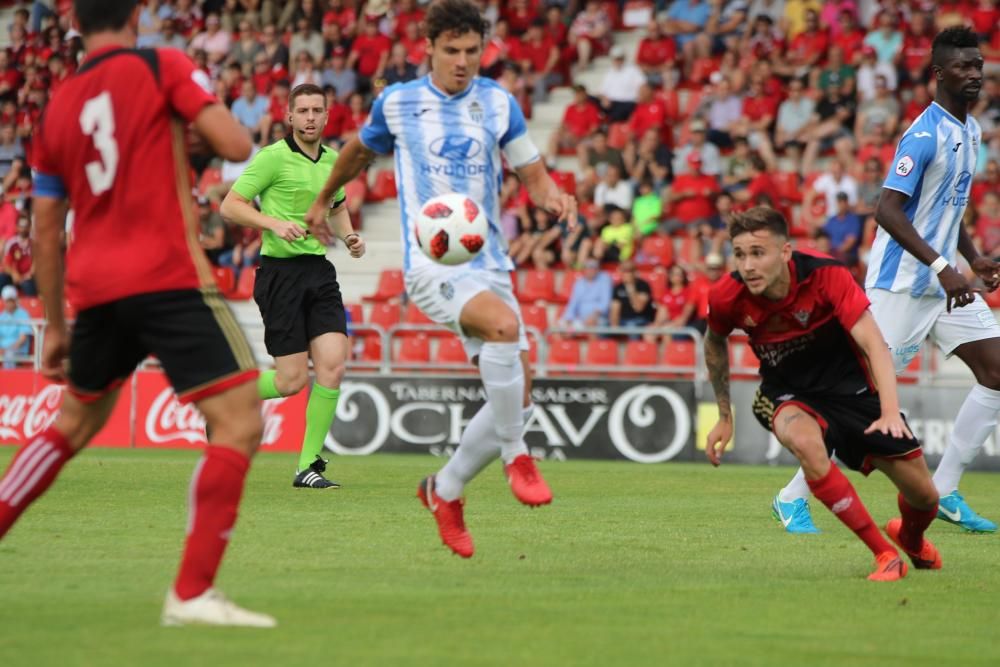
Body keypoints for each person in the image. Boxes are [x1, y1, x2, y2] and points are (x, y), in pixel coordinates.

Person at [0, 0, 273, 627]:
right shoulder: (162, 64)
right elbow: (235, 143)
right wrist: (185, 126)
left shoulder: (58, 105)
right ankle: (192, 592)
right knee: (239, 422)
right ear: (137, 14)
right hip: (167, 275)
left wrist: (57, 325)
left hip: (94, 289)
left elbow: (44, 228)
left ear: (76, 25)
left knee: (67, 427)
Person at [304, 0, 574, 558]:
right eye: (451, 50)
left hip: (489, 263)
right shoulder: (399, 104)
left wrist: (552, 198)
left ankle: (444, 490)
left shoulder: (497, 103)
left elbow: (531, 171)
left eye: (472, 51)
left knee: (519, 396)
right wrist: (325, 196)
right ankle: (517, 457)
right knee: (503, 333)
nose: (462, 61)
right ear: (427, 48)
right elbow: (357, 151)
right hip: (433, 263)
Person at [773, 27, 1000, 535]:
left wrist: (972, 256)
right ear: (939, 74)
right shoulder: (922, 135)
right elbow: (888, 210)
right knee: (861, 397)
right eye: (964, 67)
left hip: (946, 288)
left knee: (996, 371)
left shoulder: (971, 132)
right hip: (901, 289)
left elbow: (947, 206)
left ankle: (946, 490)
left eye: (979, 65)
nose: (975, 74)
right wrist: (944, 267)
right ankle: (791, 496)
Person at [705, 207, 942, 582]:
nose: (748, 265)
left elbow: (874, 344)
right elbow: (714, 341)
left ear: (784, 252)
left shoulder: (826, 275)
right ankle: (884, 555)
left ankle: (910, 537)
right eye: (740, 254)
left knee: (926, 498)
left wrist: (890, 410)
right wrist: (724, 416)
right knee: (806, 443)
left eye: (758, 252)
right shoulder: (727, 295)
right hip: (786, 394)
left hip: (854, 393)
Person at [221, 83, 364, 489]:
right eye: (302, 111)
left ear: (326, 114)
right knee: (290, 381)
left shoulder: (335, 160)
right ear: (289, 116)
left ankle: (307, 466)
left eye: (317, 110)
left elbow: (337, 207)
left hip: (319, 272)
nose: (310, 118)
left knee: (334, 365)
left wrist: (350, 236)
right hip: (279, 274)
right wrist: (273, 223)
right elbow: (229, 205)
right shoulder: (272, 158)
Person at [559, 258, 612, 330]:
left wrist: (594, 316)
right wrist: (568, 318)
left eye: (593, 268)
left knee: (592, 324)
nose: (590, 270)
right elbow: (573, 303)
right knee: (559, 327)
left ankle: (594, 341)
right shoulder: (579, 283)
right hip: (581, 319)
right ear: (584, 270)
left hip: (599, 318)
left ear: (597, 269)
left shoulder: (604, 279)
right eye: (588, 268)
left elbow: (605, 303)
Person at [0, 284, 30, 369]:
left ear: (15, 300)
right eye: (7, 301)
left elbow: (22, 338)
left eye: (11, 300)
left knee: (9, 354)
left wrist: (7, 349)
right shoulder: (2, 316)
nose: (9, 303)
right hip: (3, 348)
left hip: (18, 349)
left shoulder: (23, 314)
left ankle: (8, 380)